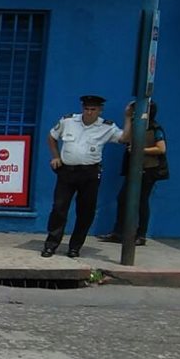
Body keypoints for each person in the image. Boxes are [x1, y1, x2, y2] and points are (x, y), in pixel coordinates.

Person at [42, 94, 131, 258]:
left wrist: (128, 118)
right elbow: (52, 137)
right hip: (67, 171)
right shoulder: (68, 121)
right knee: (59, 209)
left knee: (85, 212)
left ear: (100, 110)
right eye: (86, 108)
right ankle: (51, 245)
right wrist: (55, 157)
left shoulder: (106, 127)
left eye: (93, 109)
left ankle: (75, 247)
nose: (89, 112)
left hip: (89, 173)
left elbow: (125, 138)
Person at [102, 100, 166, 247]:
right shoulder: (136, 126)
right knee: (123, 199)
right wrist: (127, 116)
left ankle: (141, 234)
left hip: (148, 170)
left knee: (142, 201)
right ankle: (119, 232)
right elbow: (125, 138)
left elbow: (161, 148)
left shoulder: (155, 128)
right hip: (134, 169)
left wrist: (141, 150)